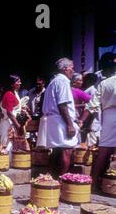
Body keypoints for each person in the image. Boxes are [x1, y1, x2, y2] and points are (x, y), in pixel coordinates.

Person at [37, 58, 79, 178]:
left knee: (56, 151)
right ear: (65, 69)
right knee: (67, 150)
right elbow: (62, 104)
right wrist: (70, 124)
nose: (73, 70)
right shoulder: (63, 81)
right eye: (71, 67)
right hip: (60, 120)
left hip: (54, 120)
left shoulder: (54, 81)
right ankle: (61, 181)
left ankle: (50, 179)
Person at [83, 54, 116, 186]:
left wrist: (81, 120)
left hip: (108, 117)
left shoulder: (103, 84)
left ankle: (93, 182)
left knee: (103, 151)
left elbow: (92, 105)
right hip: (109, 115)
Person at [0, 75, 25, 151]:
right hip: (7, 124)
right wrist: (18, 126)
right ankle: (7, 162)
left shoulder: (14, 93)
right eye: (18, 81)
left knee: (13, 146)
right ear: (12, 84)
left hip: (11, 123)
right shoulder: (8, 94)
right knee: (7, 146)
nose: (20, 83)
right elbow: (9, 113)